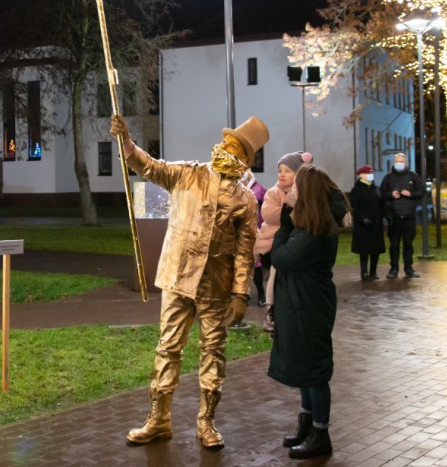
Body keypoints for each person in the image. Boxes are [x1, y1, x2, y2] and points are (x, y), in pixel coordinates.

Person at [110, 113, 269, 449]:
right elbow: (149, 166)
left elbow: (244, 252)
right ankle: (158, 420)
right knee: (168, 349)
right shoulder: (189, 174)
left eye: (235, 145)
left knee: (213, 353)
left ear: (244, 157)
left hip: (216, 288)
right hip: (178, 279)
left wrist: (241, 293)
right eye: (226, 140)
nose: (226, 146)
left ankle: (206, 424)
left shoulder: (245, 199)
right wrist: (126, 141)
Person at [268, 164, 347, 460]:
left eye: (297, 188)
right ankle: (306, 425)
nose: (292, 192)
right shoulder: (310, 223)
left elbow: (280, 257)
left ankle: (320, 434)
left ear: (309, 193)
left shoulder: (314, 228)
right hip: (300, 301)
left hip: (309, 304)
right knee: (303, 365)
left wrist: (285, 222)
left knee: (313, 369)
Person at [253, 151, 313, 333]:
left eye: (287, 170)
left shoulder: (306, 193)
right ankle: (270, 308)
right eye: (280, 170)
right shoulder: (274, 192)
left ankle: (295, 309)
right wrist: (289, 205)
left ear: (299, 174)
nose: (282, 174)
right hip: (273, 244)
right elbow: (269, 214)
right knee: (275, 274)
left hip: (294, 245)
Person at [379, 152, 424, 278]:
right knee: (394, 245)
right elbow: (382, 193)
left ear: (405, 163)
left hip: (409, 216)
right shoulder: (388, 177)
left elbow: (421, 191)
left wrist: (411, 194)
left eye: (401, 161)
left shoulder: (413, 176)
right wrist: (390, 194)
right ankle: (393, 268)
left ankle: (408, 268)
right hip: (394, 217)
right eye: (397, 161)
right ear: (394, 162)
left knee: (408, 244)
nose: (399, 163)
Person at [349, 165, 385, 280]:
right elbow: (354, 208)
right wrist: (363, 219)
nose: (371, 175)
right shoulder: (356, 190)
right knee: (364, 249)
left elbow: (381, 204)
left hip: (376, 223)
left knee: (376, 248)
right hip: (363, 225)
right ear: (361, 175)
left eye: (371, 173)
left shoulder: (376, 188)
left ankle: (373, 272)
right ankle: (364, 272)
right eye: (368, 173)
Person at [241, 170, 268, 306]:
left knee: (257, 265)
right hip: (242, 232)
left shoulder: (258, 190)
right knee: (243, 265)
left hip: (256, 230)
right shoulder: (240, 190)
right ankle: (243, 295)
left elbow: (265, 209)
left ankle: (261, 294)